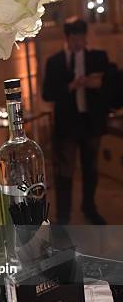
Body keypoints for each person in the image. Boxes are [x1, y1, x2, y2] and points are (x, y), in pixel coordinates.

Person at [42, 18, 110, 224]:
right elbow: (47, 94)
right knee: (65, 171)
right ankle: (63, 214)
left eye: (82, 37)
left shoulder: (98, 57)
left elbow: (110, 87)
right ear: (67, 38)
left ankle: (89, 207)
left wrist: (96, 84)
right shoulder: (55, 62)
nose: (79, 42)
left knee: (91, 168)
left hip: (90, 122)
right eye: (75, 38)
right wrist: (71, 86)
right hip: (67, 124)